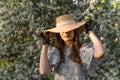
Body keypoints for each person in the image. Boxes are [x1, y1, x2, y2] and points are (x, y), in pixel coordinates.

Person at [39, 14, 104, 80]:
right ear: (59, 33)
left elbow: (100, 53)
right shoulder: (56, 52)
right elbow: (43, 71)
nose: (66, 33)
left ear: (74, 31)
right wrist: (45, 45)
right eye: (62, 30)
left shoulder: (82, 49)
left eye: (69, 29)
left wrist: (90, 32)